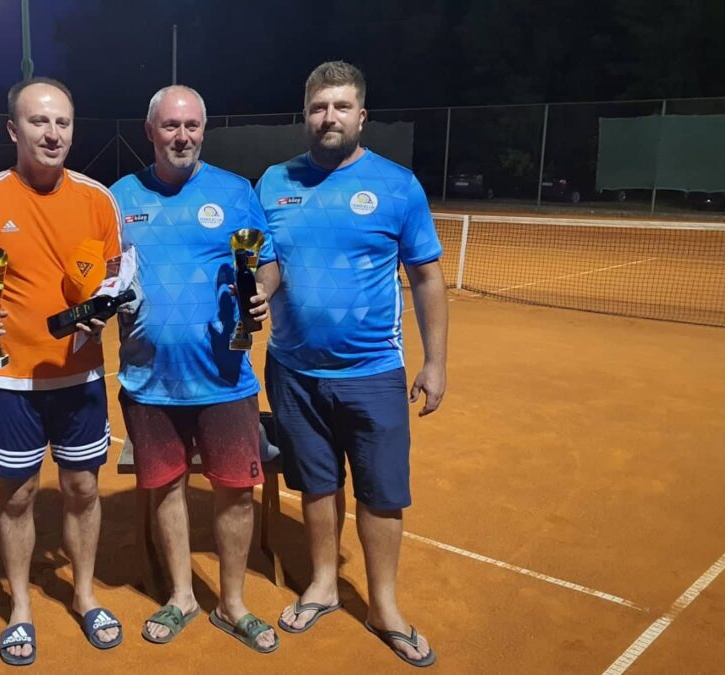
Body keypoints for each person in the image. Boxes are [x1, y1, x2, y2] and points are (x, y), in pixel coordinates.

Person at [255, 60, 447, 668]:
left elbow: (426, 277)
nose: (328, 117)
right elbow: (268, 261)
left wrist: (435, 362)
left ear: (362, 116)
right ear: (305, 115)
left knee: (381, 492)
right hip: (292, 370)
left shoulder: (398, 186)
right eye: (318, 107)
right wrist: (257, 289)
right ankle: (322, 584)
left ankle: (383, 605)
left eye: (340, 107)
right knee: (316, 483)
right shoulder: (273, 182)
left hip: (373, 372)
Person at [0, 77, 126, 667]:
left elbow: (115, 274)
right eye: (39, 122)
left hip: (80, 377)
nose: (52, 133)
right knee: (17, 495)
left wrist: (103, 309)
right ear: (13, 130)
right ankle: (20, 606)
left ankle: (85, 594)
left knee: (83, 489)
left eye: (62, 122)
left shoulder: (97, 199)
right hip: (11, 380)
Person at [110, 85, 281, 654]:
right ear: (150, 131)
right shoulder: (119, 197)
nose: (181, 137)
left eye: (191, 126)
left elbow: (267, 263)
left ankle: (232, 604)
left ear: (203, 130)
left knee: (236, 492)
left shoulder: (235, 191)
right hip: (149, 380)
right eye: (170, 126)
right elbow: (103, 274)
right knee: (166, 488)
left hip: (224, 378)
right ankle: (182, 596)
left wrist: (261, 292)